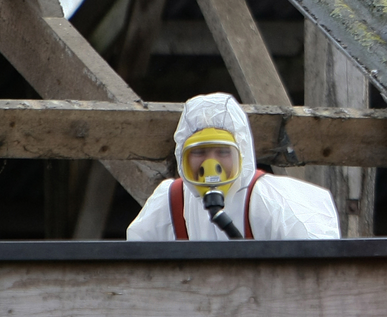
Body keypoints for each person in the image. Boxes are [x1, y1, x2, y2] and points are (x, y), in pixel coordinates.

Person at [126, 92, 340, 240]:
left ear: (242, 154)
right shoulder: (169, 204)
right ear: (182, 157)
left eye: (223, 152)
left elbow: (317, 274)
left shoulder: (273, 201)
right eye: (199, 152)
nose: (211, 164)